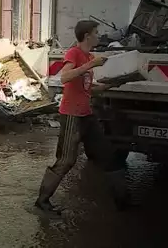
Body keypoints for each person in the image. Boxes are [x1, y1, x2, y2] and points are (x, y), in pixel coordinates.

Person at [34, 20, 129, 216]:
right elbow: (65, 77)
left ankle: (123, 201)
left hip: (87, 115)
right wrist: (90, 64)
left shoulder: (88, 56)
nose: (98, 36)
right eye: (96, 33)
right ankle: (42, 201)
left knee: (108, 156)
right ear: (87, 35)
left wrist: (114, 84)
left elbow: (88, 88)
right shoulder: (75, 53)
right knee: (66, 160)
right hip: (71, 115)